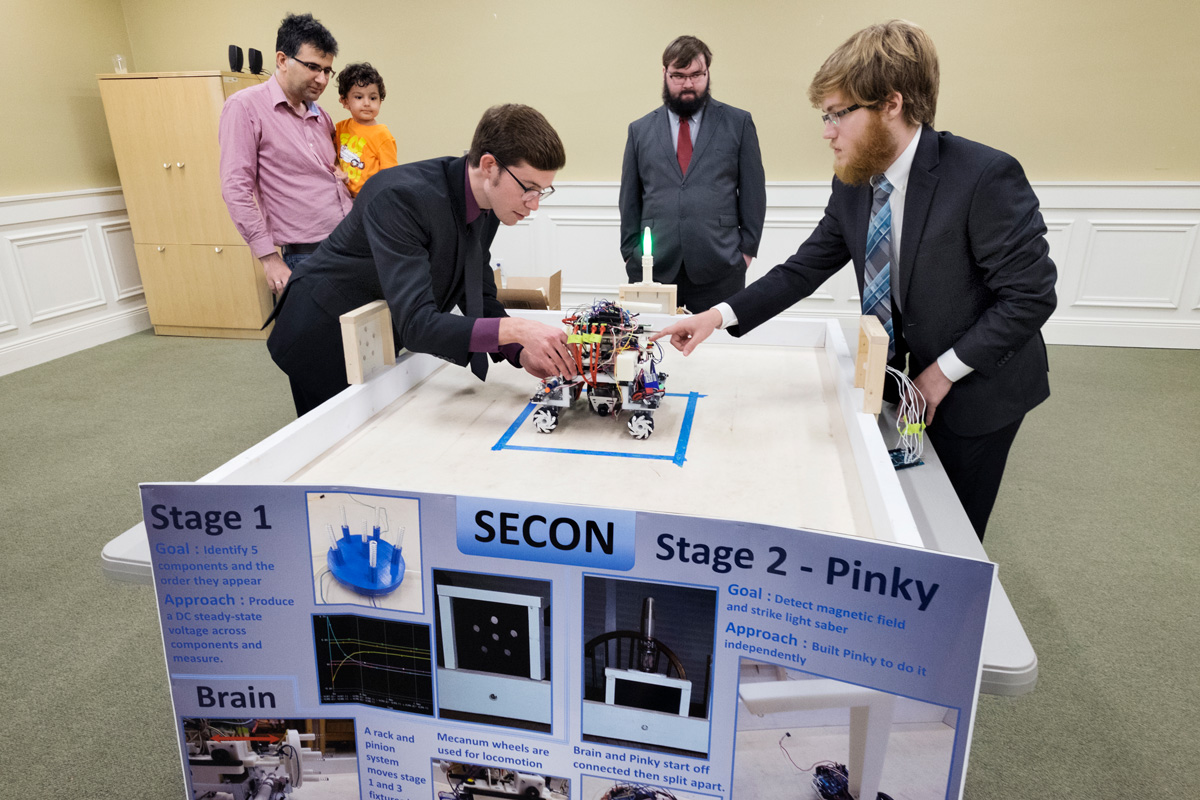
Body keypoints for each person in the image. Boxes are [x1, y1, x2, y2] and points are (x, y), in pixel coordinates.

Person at [652, 20, 1057, 540]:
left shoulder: (984, 176)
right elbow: (804, 267)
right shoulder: (856, 180)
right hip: (902, 375)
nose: (826, 132)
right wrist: (718, 314)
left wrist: (941, 374)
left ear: (891, 104)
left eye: (837, 115)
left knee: (951, 527)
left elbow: (1030, 296)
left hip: (981, 384)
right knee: (902, 501)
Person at [266, 104, 578, 416]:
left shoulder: (490, 202)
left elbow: (477, 294)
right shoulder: (400, 197)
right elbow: (417, 323)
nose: (534, 205)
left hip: (377, 330)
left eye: (543, 191)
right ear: (488, 165)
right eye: (529, 189)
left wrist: (519, 352)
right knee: (336, 440)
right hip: (320, 329)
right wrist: (518, 329)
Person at [619, 35, 767, 313]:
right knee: (650, 349)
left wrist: (745, 253)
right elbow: (629, 199)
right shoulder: (639, 130)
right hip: (653, 269)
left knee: (718, 352)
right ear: (664, 74)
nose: (688, 83)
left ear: (708, 72)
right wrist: (630, 254)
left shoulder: (739, 123)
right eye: (679, 75)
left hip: (721, 266)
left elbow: (753, 193)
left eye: (697, 74)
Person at [218, 12, 352, 296]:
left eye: (328, 70)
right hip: (305, 256)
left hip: (350, 244)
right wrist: (269, 258)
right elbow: (235, 188)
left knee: (362, 336)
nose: (322, 79)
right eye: (313, 67)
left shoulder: (322, 116)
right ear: (282, 60)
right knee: (314, 340)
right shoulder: (244, 107)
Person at [334, 62, 398, 196]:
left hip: (369, 200)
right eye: (359, 97)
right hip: (343, 196)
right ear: (345, 102)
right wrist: (339, 169)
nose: (367, 103)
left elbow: (390, 176)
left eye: (373, 98)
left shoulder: (382, 135)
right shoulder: (341, 127)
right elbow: (333, 156)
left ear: (380, 101)